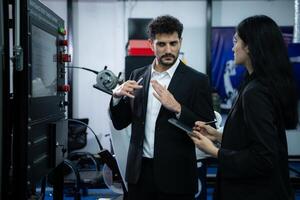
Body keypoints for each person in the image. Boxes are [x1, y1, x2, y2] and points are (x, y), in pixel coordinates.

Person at [190, 15, 298, 200]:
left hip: (253, 191)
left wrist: (214, 151)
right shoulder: (259, 85)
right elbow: (254, 139)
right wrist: (217, 135)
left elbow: (264, 157)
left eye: (236, 40)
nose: (233, 47)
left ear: (249, 46)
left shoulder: (255, 93)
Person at [109, 15, 215, 200]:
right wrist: (116, 98)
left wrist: (177, 108)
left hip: (177, 177)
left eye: (173, 44)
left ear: (180, 42)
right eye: (162, 44)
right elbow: (120, 123)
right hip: (139, 175)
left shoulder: (197, 81)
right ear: (151, 44)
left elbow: (208, 128)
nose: (168, 50)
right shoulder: (137, 75)